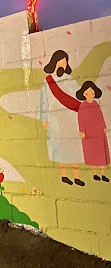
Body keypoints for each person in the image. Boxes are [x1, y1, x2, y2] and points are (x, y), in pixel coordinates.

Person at [40, 50, 85, 185]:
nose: (62, 65)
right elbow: (44, 101)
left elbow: (78, 95)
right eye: (60, 62)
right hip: (56, 120)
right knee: (61, 148)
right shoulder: (47, 81)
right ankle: (64, 176)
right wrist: (44, 119)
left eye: (64, 63)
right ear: (54, 63)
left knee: (74, 148)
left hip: (71, 118)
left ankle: (77, 177)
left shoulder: (69, 79)